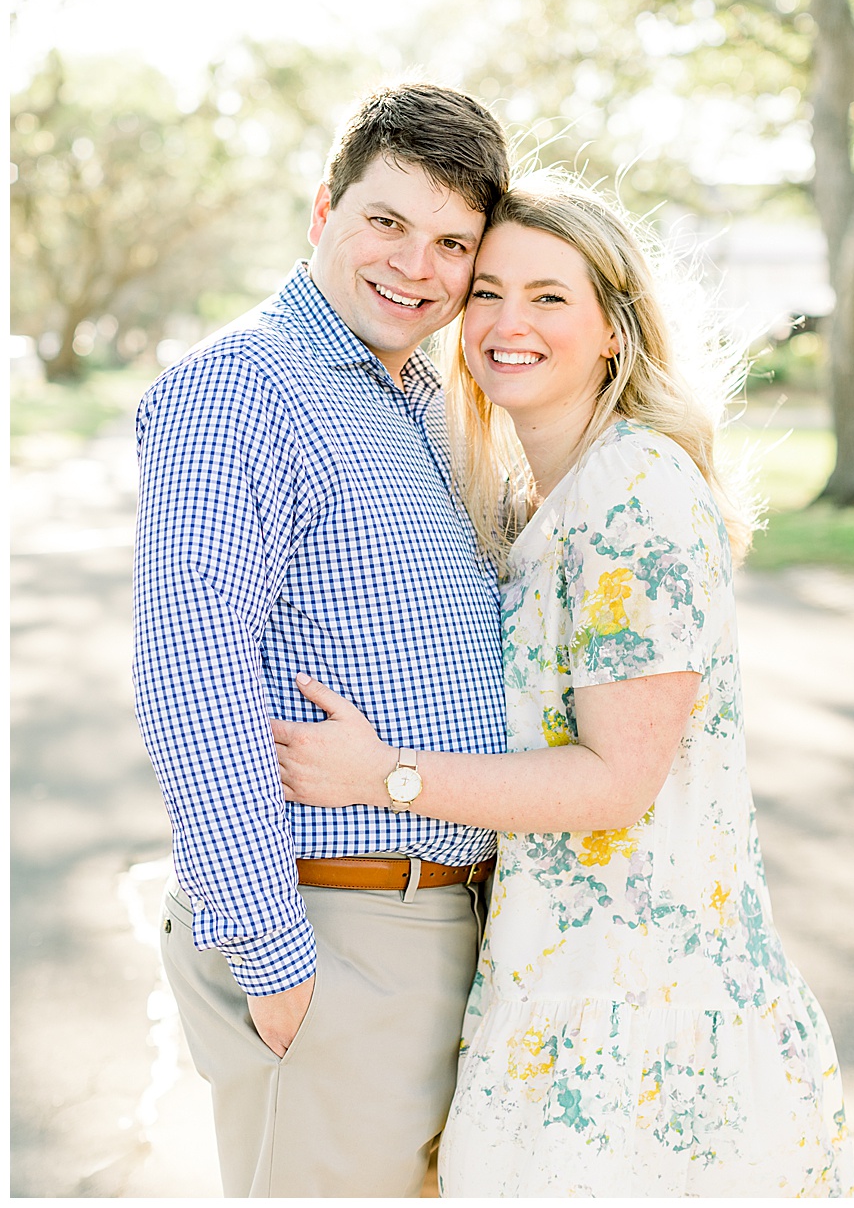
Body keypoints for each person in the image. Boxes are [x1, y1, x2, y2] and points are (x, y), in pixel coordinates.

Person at [272, 169, 854, 1197]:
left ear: (613, 332)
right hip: (550, 983)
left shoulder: (638, 488)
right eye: (487, 291)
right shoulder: (532, 500)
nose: (507, 320)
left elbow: (614, 781)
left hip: (643, 1014)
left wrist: (384, 775)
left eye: (550, 297)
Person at [132, 82, 513, 1195]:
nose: (415, 265)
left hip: (440, 923)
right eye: (386, 222)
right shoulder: (236, 391)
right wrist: (277, 958)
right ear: (323, 212)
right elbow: (191, 674)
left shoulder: (428, 398)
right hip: (330, 926)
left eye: (452, 242)